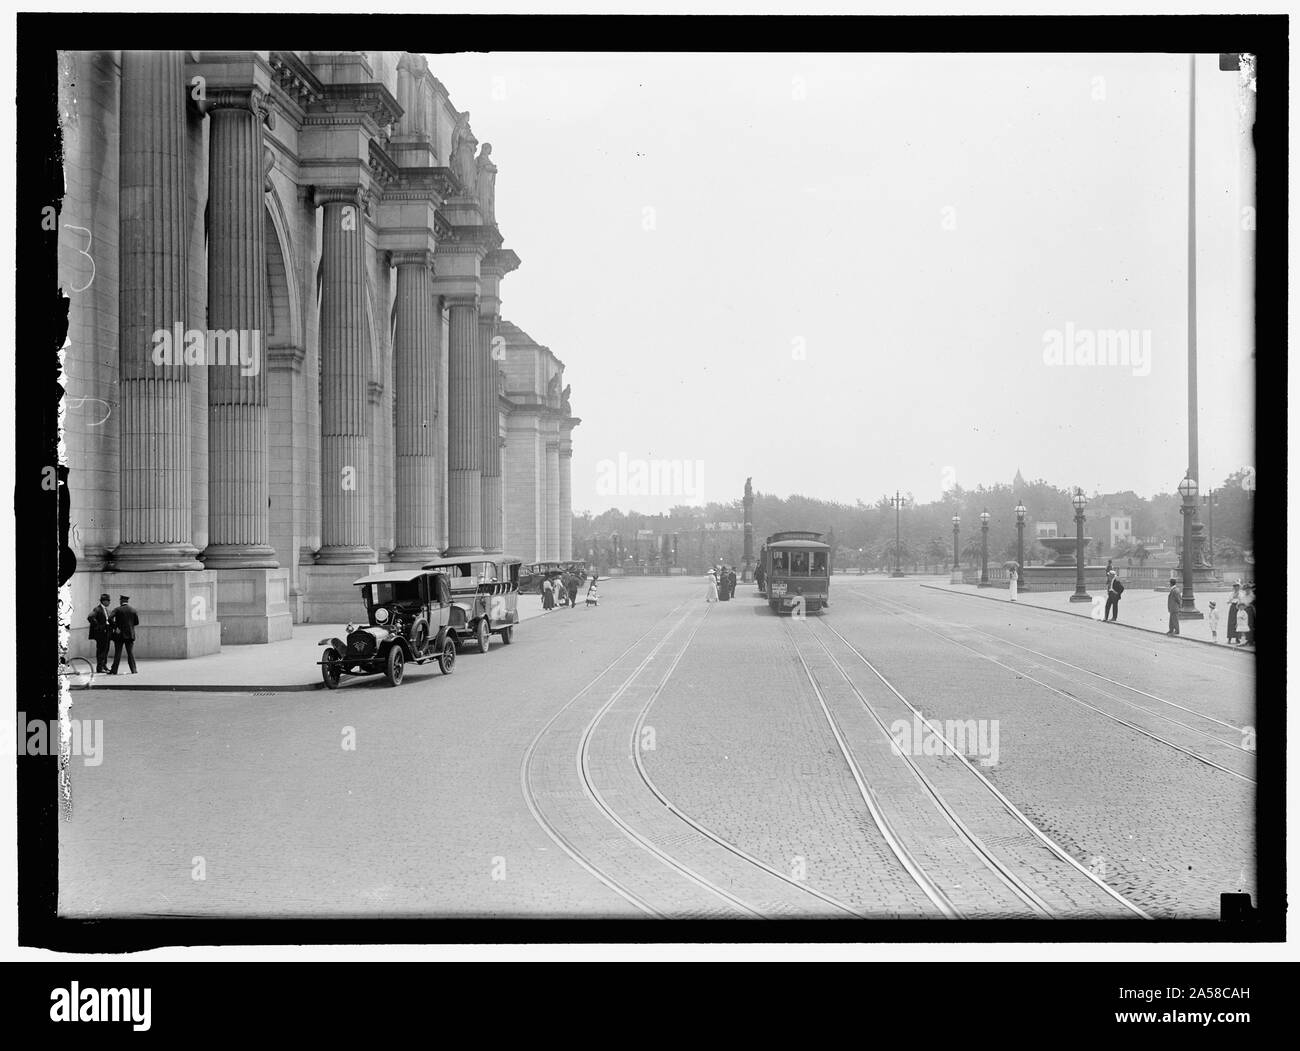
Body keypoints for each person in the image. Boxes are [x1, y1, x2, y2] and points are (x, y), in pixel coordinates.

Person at [108, 594, 139, 674]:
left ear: (121, 601)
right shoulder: (133, 610)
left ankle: (114, 670)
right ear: (127, 601)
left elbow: (109, 618)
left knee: (117, 653)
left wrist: (116, 627)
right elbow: (136, 622)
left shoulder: (117, 609)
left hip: (119, 635)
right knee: (130, 653)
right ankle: (133, 670)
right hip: (130, 635)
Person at [86, 592, 112, 673]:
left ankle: (104, 666)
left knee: (106, 650)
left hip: (107, 632)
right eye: (108, 601)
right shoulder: (97, 609)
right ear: (104, 601)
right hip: (101, 634)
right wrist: (98, 627)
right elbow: (90, 617)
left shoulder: (106, 609)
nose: (109, 602)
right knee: (101, 651)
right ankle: (99, 668)